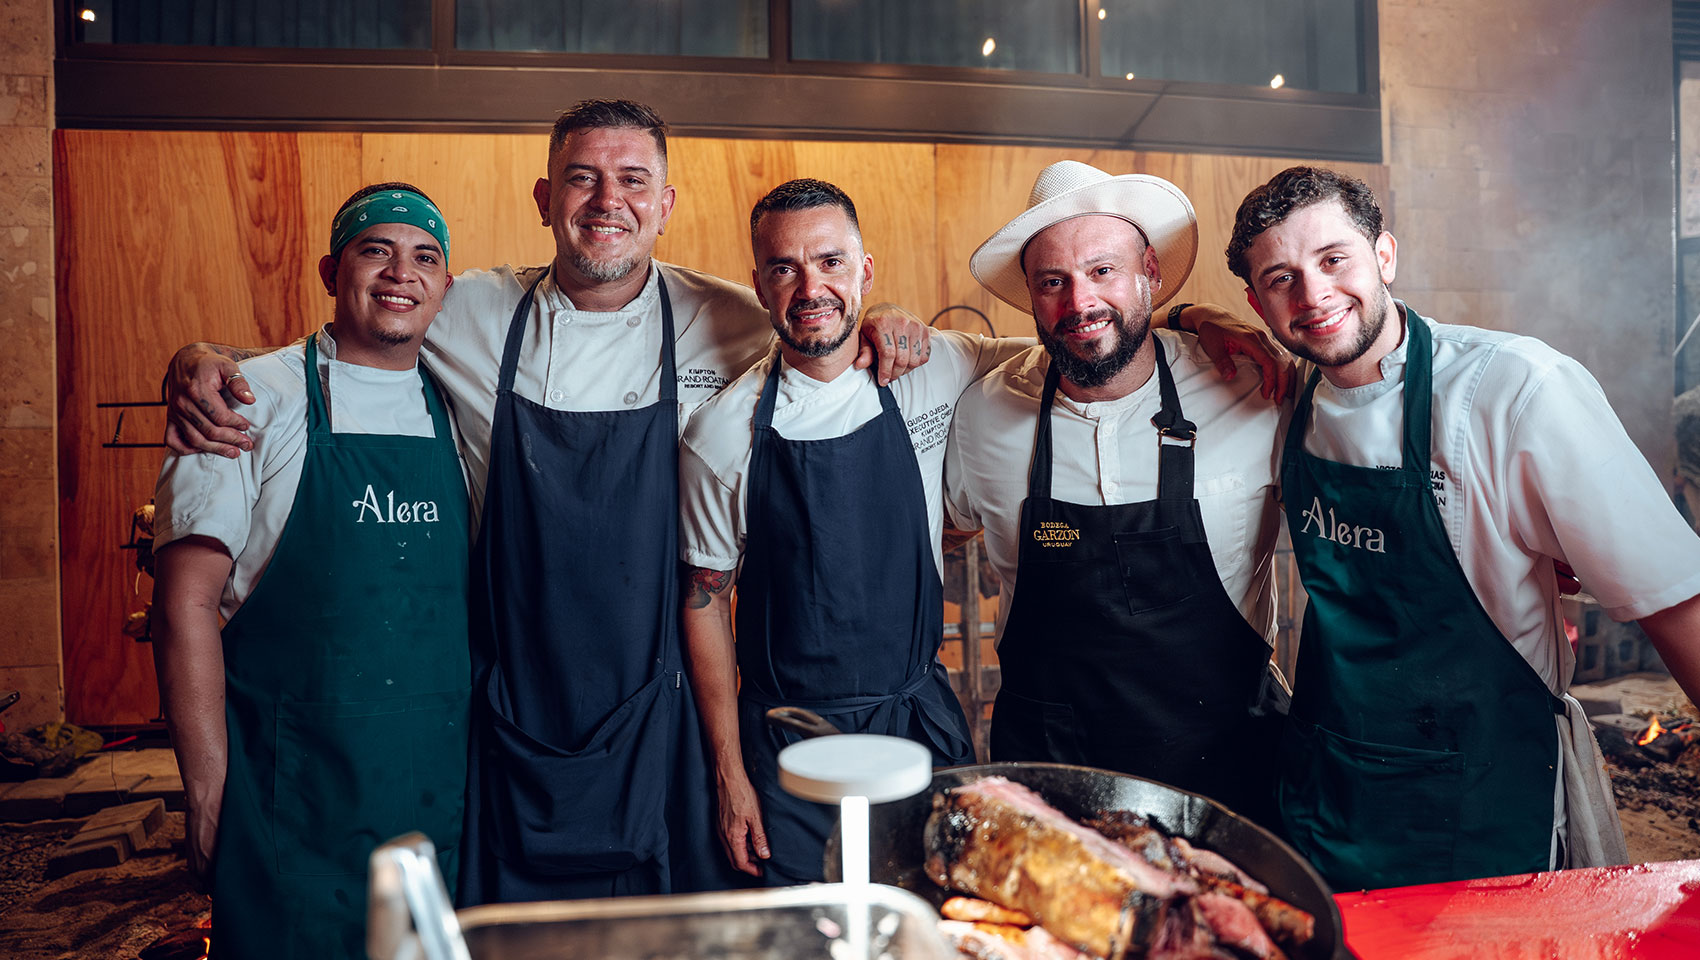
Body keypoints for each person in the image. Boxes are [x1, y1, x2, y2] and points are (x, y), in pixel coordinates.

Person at [161, 99, 933, 902]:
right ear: (544, 198)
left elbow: (821, 330)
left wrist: (886, 321)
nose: (608, 202)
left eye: (634, 181)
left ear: (664, 206)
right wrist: (199, 361)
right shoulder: (470, 309)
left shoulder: (731, 317)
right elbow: (350, 344)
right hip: (515, 715)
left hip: (659, 723)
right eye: (582, 179)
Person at [1226, 165, 1700, 890]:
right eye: (1281, 278)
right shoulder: (1286, 395)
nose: (1313, 294)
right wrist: (1191, 318)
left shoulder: (1515, 389)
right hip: (1331, 789)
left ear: (1384, 255)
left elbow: (1674, 599)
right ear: (1256, 302)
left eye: (1333, 259)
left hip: (1481, 798)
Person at [678, 180, 1032, 884]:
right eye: (785, 268)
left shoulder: (937, 370)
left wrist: (1191, 317)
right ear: (760, 285)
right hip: (789, 750)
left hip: (917, 731)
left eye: (831, 262)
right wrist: (729, 776)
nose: (811, 287)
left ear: (866, 270)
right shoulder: (720, 434)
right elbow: (704, 600)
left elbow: (1068, 351)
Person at [151, 183, 468, 959]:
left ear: (446, 287)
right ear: (332, 270)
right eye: (375, 250)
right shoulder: (247, 402)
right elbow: (182, 607)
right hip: (291, 792)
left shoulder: (462, 406)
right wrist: (205, 790)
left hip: (435, 792)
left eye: (424, 257)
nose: (402, 273)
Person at [944, 161, 1291, 826]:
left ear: (1150, 274)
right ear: (1031, 293)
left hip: (1228, 778)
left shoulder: (1252, 388)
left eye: (1102, 270)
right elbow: (951, 524)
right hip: (1052, 788)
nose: (1079, 302)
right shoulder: (984, 414)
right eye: (1054, 281)